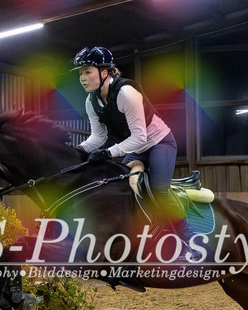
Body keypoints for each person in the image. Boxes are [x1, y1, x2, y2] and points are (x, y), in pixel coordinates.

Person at [72, 46, 197, 260]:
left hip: (159, 143)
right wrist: (78, 150)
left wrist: (107, 153)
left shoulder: (126, 94)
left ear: (104, 72)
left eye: (87, 72)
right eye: (80, 73)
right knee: (119, 186)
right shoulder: (91, 101)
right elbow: (98, 137)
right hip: (135, 149)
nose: (82, 78)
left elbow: (140, 137)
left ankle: (189, 240)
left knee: (158, 190)